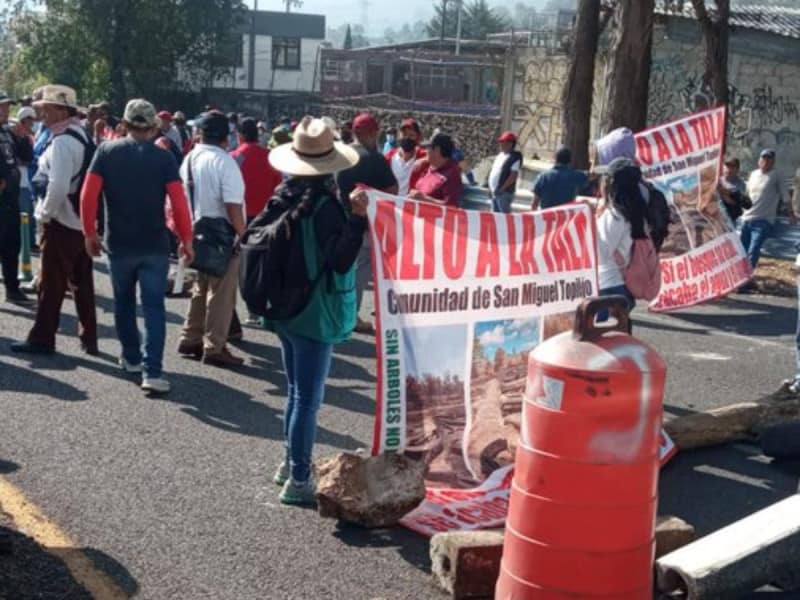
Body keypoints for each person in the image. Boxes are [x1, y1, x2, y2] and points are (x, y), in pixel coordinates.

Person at [266, 116, 364, 504]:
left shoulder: (284, 194)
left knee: (295, 392)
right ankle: (299, 478)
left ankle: (290, 464)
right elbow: (340, 260)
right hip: (315, 308)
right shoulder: (325, 207)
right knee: (307, 399)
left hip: (285, 306)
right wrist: (357, 220)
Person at [79, 99, 194, 393]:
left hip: (118, 242)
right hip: (154, 244)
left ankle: (131, 357)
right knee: (154, 307)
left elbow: (88, 196)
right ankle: (153, 371)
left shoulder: (106, 152)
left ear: (125, 124)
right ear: (153, 127)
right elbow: (179, 203)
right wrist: (186, 239)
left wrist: (89, 233)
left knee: (124, 302)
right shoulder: (164, 157)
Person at [11, 85, 97, 355]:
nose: (41, 114)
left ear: (61, 110)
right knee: (82, 284)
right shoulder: (81, 135)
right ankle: (89, 337)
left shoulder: (61, 142)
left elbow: (58, 186)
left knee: (51, 284)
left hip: (61, 221)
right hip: (79, 221)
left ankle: (42, 338)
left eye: (46, 109)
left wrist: (44, 215)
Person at [177, 111, 247, 368]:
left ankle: (190, 336)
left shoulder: (190, 159)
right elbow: (232, 205)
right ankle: (214, 345)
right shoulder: (225, 162)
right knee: (222, 293)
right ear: (225, 138)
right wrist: (243, 234)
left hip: (196, 228)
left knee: (201, 284)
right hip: (223, 233)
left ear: (200, 134)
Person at [335, 113, 398, 334]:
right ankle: (351, 316)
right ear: (372, 133)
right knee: (360, 272)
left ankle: (340, 312)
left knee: (344, 270)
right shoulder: (374, 159)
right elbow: (392, 190)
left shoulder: (342, 155)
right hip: (366, 223)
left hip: (342, 219)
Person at [594, 157, 649, 318]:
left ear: (610, 183)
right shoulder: (633, 213)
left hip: (606, 287)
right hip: (621, 286)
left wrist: (590, 226)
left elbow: (601, 253)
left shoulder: (614, 216)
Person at [0, 91, 34, 305]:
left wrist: (22, 137)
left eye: (7, 106)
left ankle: (12, 289)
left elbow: (26, 157)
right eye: (1, 106)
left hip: (10, 200)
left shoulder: (7, 132)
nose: (5, 110)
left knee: (12, 245)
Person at [740, 149, 795, 275]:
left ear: (773, 161)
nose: (765, 161)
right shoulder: (753, 174)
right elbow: (747, 196)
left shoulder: (777, 175)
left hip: (763, 221)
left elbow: (785, 196)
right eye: (763, 158)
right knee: (742, 252)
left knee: (753, 250)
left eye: (769, 158)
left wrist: (791, 214)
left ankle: (746, 278)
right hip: (746, 219)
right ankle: (740, 278)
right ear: (759, 160)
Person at [230, 117, 282, 223]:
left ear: (240, 136)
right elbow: (278, 185)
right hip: (266, 215)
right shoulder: (271, 157)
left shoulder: (233, 157)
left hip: (240, 216)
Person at [408, 132, 463, 207]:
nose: (425, 151)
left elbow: (452, 207)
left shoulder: (452, 176)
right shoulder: (429, 166)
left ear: (437, 150)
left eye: (428, 148)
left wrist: (424, 199)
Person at [531, 146, 589, 210]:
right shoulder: (576, 176)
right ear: (570, 160)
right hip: (566, 215)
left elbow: (534, 204)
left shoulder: (543, 176)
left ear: (555, 158)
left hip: (547, 214)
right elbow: (590, 176)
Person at [385, 118, 426, 197]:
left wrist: (425, 160)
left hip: (410, 204)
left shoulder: (423, 156)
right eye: (404, 134)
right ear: (398, 136)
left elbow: (446, 160)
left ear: (418, 137)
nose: (407, 138)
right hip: (390, 203)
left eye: (411, 135)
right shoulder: (388, 158)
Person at [15, 106, 37, 249]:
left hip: (29, 181)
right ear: (24, 121)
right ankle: (26, 243)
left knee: (30, 214)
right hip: (21, 182)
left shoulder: (29, 138)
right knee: (25, 213)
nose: (32, 123)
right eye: (30, 120)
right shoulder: (16, 137)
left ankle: (30, 242)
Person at [488, 131, 522, 213]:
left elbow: (513, 176)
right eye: (501, 142)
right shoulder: (500, 155)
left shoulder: (514, 157)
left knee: (504, 217)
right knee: (495, 216)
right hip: (494, 192)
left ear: (510, 144)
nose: (501, 144)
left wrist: (502, 189)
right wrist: (490, 187)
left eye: (503, 142)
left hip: (503, 193)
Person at [717, 157, 750, 225]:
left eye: (732, 167)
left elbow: (733, 200)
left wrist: (721, 191)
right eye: (727, 166)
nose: (729, 169)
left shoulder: (740, 184)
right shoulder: (717, 181)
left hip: (732, 220)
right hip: (717, 220)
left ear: (737, 169)